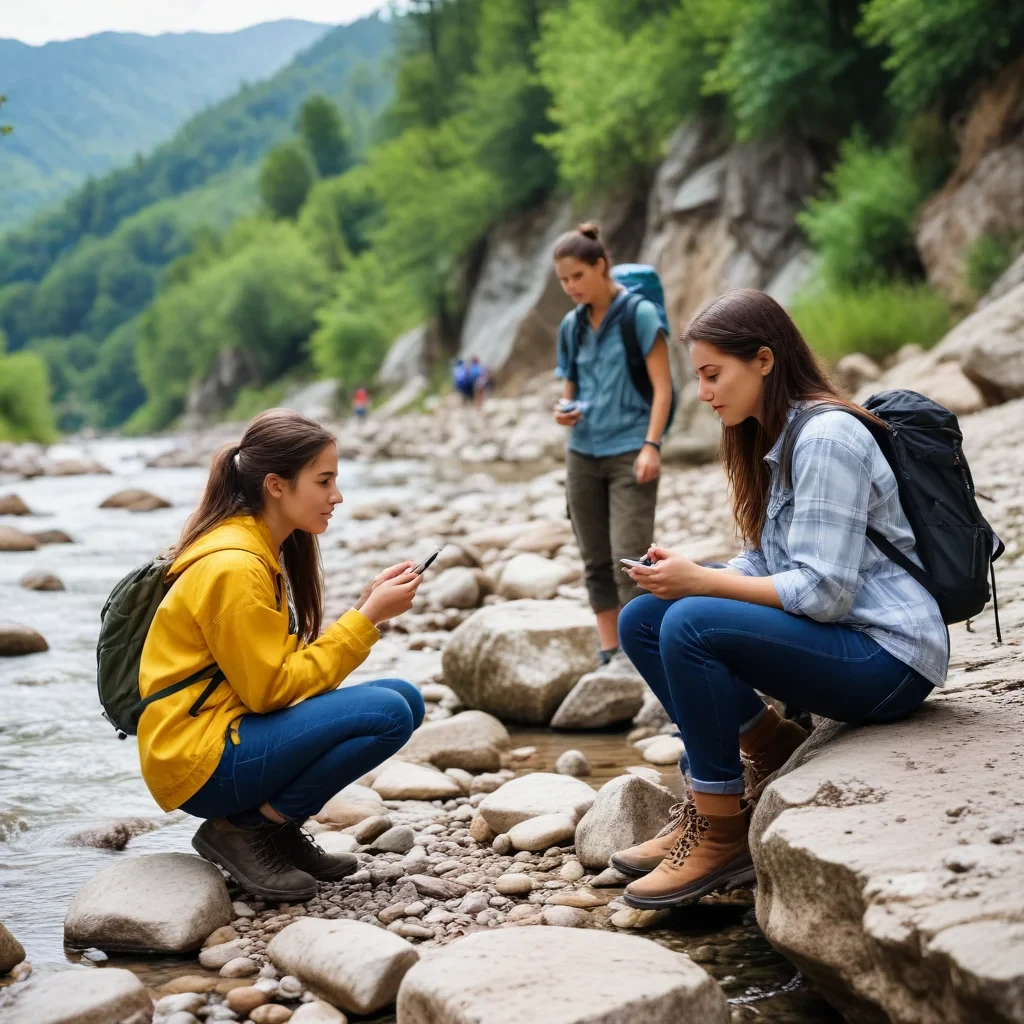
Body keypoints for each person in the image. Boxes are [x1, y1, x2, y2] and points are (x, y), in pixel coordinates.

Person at [611, 288, 946, 909]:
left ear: (764, 360)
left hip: (890, 657)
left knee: (688, 622)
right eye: (699, 378)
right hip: (848, 637)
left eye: (714, 375)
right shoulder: (776, 435)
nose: (704, 392)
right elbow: (769, 562)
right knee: (645, 619)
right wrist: (689, 572)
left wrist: (705, 584)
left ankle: (719, 831)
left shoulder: (826, 439)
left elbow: (824, 592)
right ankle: (767, 749)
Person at [136, 409, 425, 902]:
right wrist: (367, 621)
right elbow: (270, 691)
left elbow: (278, 673)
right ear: (276, 485)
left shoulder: (258, 549)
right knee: (388, 713)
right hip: (199, 759)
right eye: (324, 480)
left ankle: (277, 831)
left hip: (224, 732)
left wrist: (363, 607)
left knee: (405, 697)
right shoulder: (234, 566)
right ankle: (245, 830)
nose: (337, 496)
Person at [553, 223, 674, 665]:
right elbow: (570, 386)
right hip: (582, 452)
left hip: (629, 451)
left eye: (577, 277)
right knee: (594, 561)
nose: (570, 288)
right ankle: (612, 652)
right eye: (563, 281)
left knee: (631, 560)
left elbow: (664, 388)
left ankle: (643, 650)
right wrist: (563, 408)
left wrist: (652, 445)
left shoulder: (640, 315)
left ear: (601, 266)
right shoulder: (572, 326)